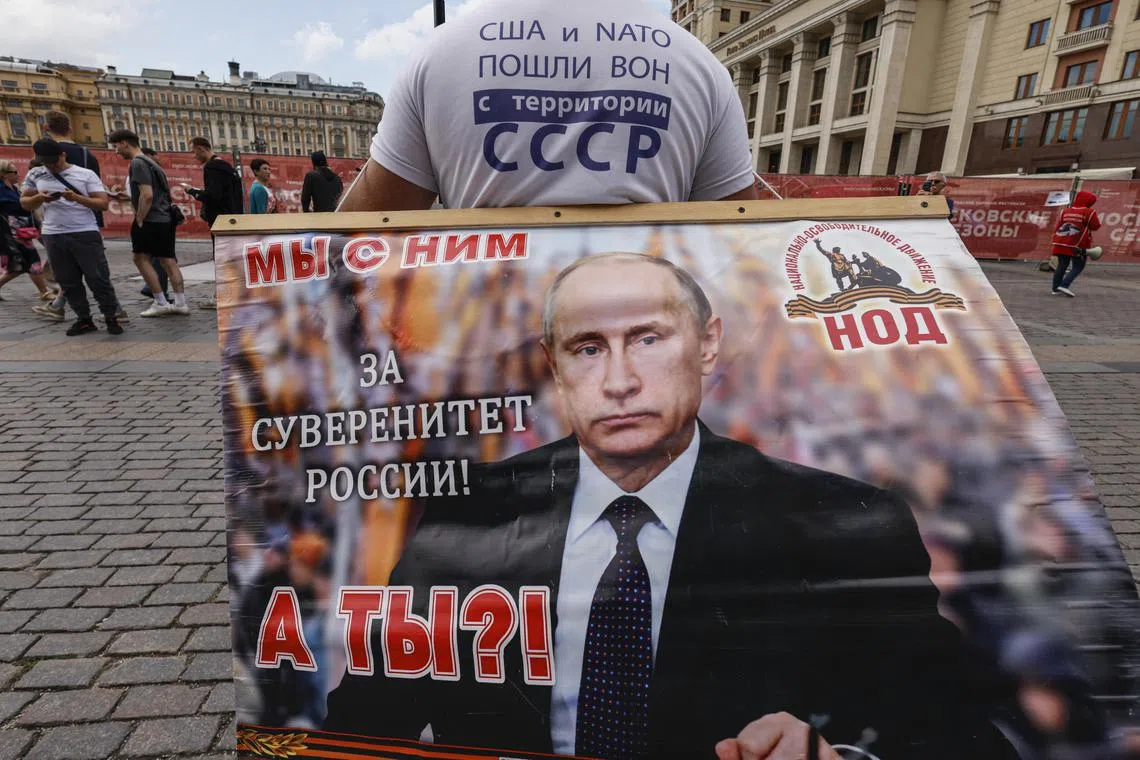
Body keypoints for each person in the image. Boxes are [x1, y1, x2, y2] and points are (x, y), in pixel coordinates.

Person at [324, 253, 1016, 760]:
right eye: (588, 349)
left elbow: (961, 736)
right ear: (554, 363)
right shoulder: (469, 510)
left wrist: (840, 757)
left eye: (648, 339)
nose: (620, 381)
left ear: (708, 343)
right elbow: (359, 724)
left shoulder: (845, 523)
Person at [337, 0, 758, 211]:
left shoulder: (439, 54)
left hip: (485, 348)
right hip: (642, 345)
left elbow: (363, 230)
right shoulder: (701, 66)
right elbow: (740, 242)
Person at [20, 139, 123, 336]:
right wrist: (40, 198)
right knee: (68, 280)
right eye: (46, 162)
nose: (51, 166)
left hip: (84, 232)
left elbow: (102, 203)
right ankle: (84, 319)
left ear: (63, 155)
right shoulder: (36, 173)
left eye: (54, 161)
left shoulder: (84, 174)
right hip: (53, 234)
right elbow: (25, 203)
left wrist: (75, 198)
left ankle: (111, 316)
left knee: (98, 278)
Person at [109, 129, 189, 317]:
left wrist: (139, 218)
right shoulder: (152, 163)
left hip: (151, 219)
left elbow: (147, 195)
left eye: (116, 146)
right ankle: (180, 302)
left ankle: (160, 301)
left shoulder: (137, 163)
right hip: (165, 218)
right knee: (168, 260)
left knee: (140, 258)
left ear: (124, 143)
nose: (116, 151)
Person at [184, 137, 243, 309]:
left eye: (194, 152)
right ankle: (230, 293)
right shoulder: (225, 166)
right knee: (229, 259)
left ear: (202, 148)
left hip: (220, 220)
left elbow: (213, 195)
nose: (194, 156)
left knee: (222, 259)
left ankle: (222, 296)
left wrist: (193, 192)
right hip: (232, 219)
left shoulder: (212, 167)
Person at [0, 160, 52, 301]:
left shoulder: (15, 189)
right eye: (14, 172)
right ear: (5, 174)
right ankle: (45, 292)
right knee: (31, 260)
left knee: (18, 266)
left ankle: (45, 291)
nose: (18, 174)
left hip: (23, 230)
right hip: (9, 233)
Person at [1050, 190, 1100, 298]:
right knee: (1079, 265)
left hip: (1060, 242)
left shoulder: (1065, 211)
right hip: (1077, 244)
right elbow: (1095, 226)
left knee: (1062, 265)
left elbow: (1058, 226)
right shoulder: (1089, 212)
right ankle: (1064, 285)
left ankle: (1055, 288)